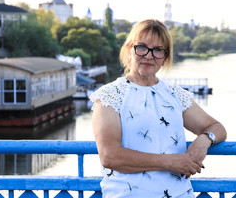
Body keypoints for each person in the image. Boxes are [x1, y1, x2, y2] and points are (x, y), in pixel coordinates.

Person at [90, 18, 227, 197]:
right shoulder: (110, 96)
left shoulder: (175, 95)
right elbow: (109, 156)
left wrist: (204, 141)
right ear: (129, 50)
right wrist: (169, 162)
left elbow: (217, 128)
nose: (148, 55)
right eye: (142, 47)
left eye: (157, 50)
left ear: (165, 57)